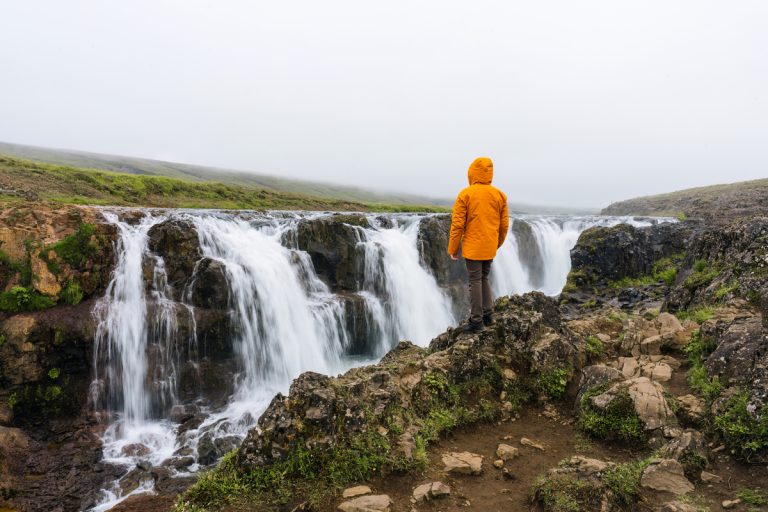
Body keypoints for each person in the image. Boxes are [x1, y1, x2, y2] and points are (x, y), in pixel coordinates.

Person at [447, 157, 509, 333]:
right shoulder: (499, 195)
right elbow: (504, 226)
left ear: (471, 173)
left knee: (474, 280)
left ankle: (476, 321)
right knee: (484, 277)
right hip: (489, 246)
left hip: (473, 248)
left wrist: (453, 248)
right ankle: (488, 315)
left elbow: (457, 224)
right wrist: (496, 244)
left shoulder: (465, 194)